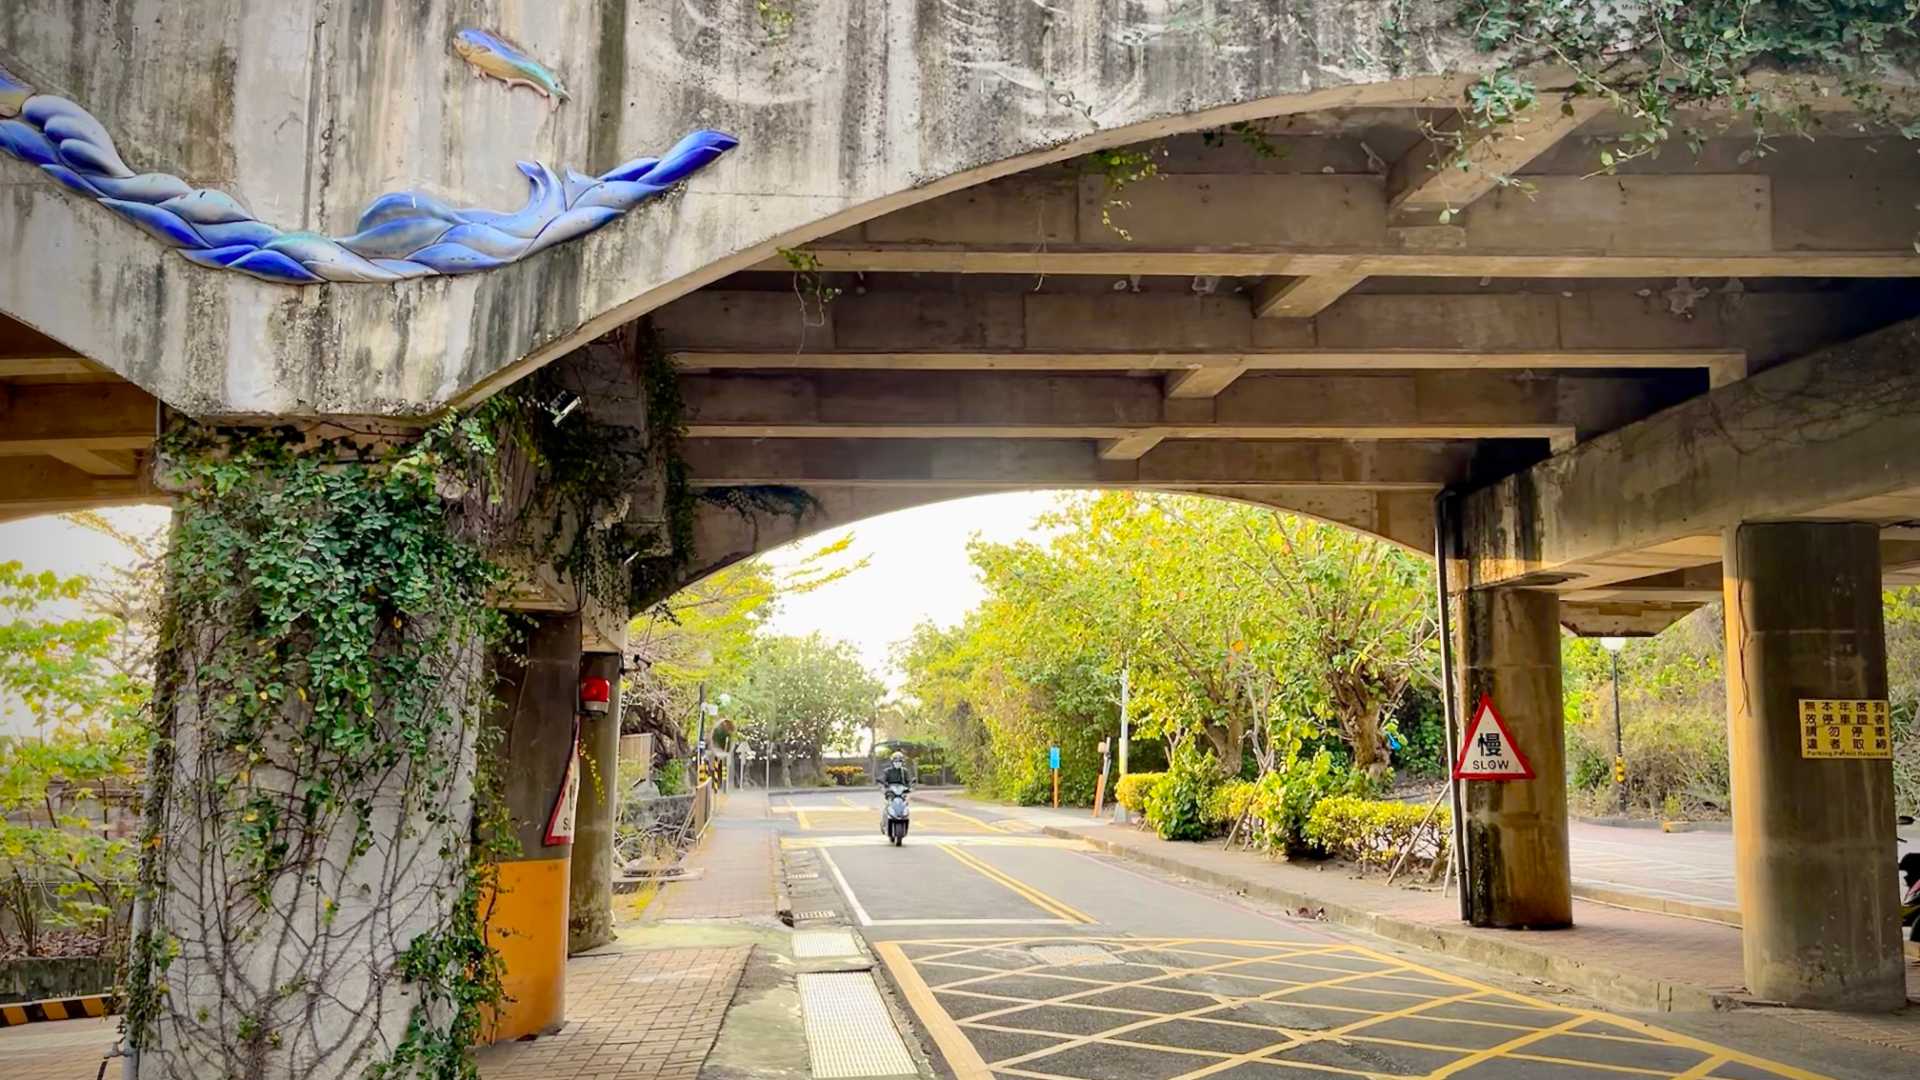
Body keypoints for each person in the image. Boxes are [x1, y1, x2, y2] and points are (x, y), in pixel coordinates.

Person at [879, 751, 912, 829]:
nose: (898, 763)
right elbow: (883, 780)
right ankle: (883, 823)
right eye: (896, 761)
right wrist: (885, 786)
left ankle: (903, 817)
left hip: (901, 792)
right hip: (891, 791)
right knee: (888, 805)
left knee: (904, 804)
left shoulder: (904, 771)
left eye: (900, 761)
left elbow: (908, 782)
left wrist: (909, 787)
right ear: (892, 762)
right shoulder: (887, 771)